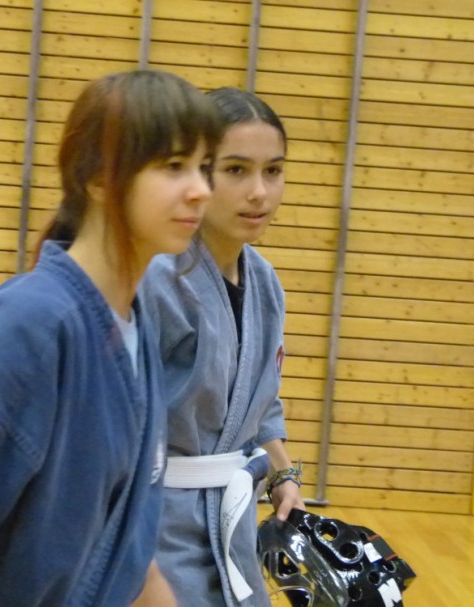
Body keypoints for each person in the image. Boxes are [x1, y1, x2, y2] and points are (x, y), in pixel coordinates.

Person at [0, 70, 223, 607]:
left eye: (204, 167)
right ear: (98, 178)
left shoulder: (135, 331)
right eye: (173, 166)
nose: (201, 190)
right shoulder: (25, 326)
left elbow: (122, 553)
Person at [139, 87, 305, 606]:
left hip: (230, 525)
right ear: (195, 173)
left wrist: (283, 474)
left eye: (273, 171)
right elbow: (108, 436)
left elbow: (260, 403)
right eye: (236, 170)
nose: (259, 192)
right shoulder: (156, 279)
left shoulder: (266, 283)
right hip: (153, 531)